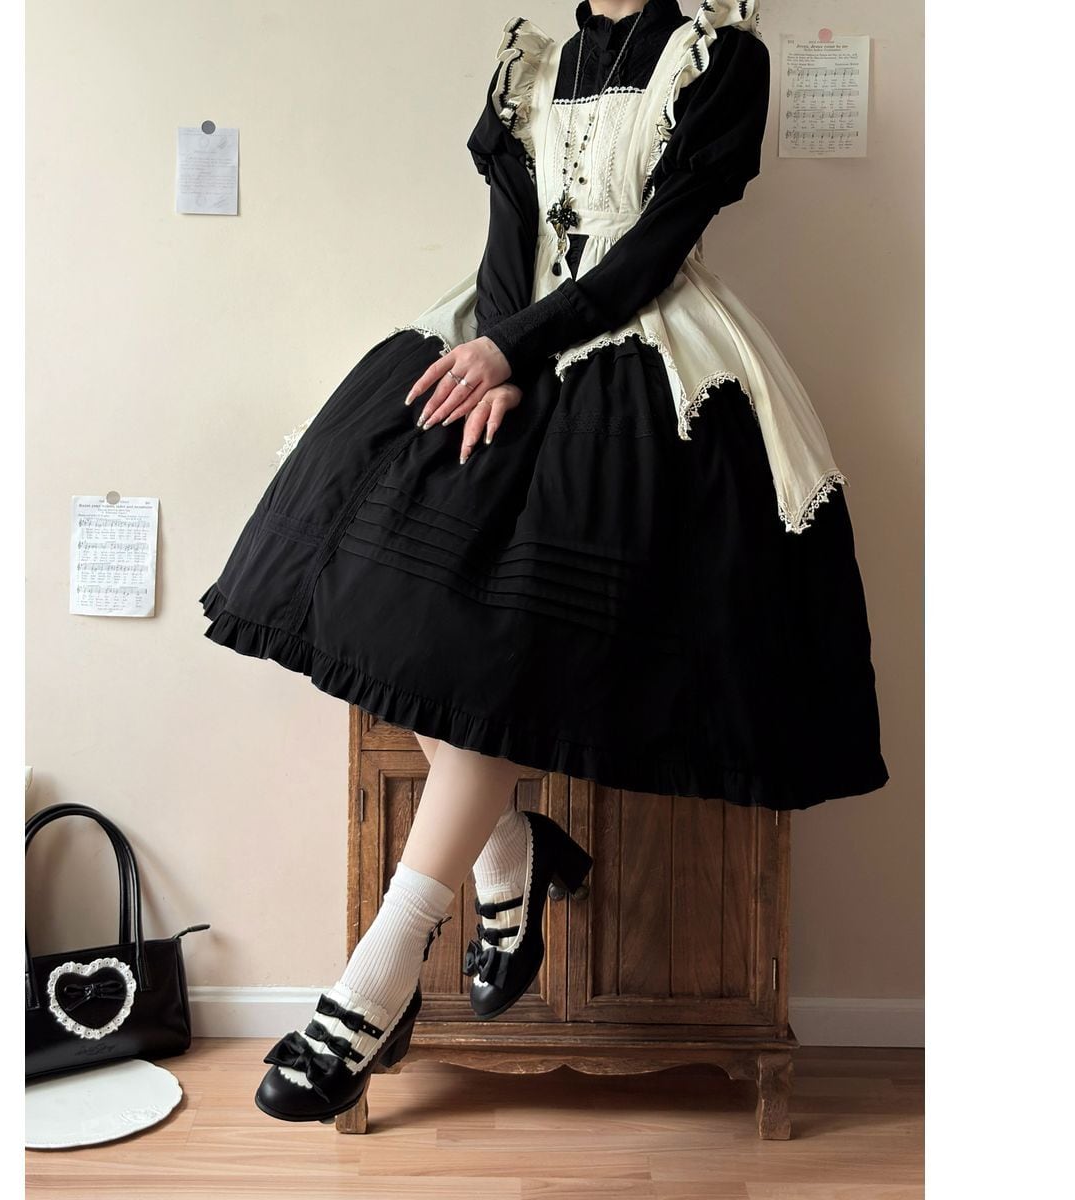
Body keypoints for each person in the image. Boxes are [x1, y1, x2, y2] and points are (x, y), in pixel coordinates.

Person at [198, 0, 889, 1122]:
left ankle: (377, 979)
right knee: (373, 594)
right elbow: (505, 239)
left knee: (495, 648)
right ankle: (508, 843)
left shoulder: (719, 59)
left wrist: (518, 348)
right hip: (507, 338)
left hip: (649, 354)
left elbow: (656, 248)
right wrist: (500, 358)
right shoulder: (533, 62)